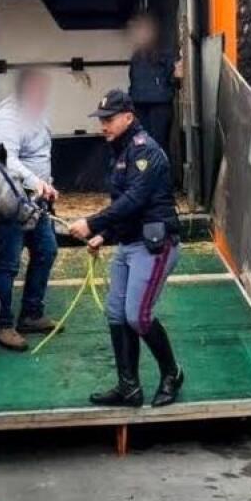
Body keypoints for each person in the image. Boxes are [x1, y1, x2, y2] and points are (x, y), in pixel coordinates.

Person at [69, 89, 184, 408]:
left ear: (129, 117)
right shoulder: (120, 151)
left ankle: (172, 374)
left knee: (139, 316)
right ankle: (129, 388)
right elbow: (123, 206)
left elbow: (136, 199)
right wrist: (104, 234)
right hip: (129, 242)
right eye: (101, 119)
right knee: (116, 314)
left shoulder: (145, 150)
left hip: (154, 246)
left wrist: (91, 223)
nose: (103, 125)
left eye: (109, 119)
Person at [0, 68, 60, 351]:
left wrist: (47, 185)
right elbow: (7, 161)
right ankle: (1, 324)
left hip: (37, 201)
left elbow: (39, 154)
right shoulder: (8, 118)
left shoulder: (35, 113)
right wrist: (37, 182)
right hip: (14, 202)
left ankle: (31, 313)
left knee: (46, 250)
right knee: (8, 263)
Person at [126, 11, 182, 155]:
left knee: (154, 144)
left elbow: (174, 76)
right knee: (148, 144)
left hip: (157, 104)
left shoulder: (162, 52)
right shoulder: (138, 55)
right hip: (146, 102)